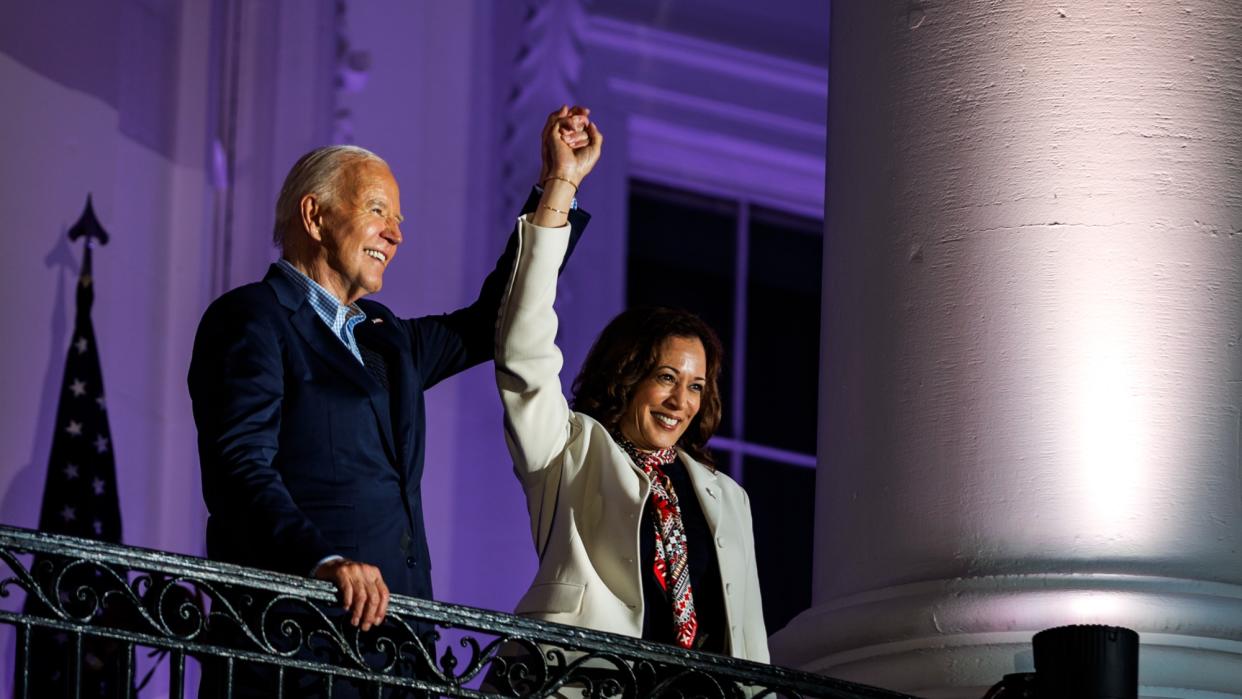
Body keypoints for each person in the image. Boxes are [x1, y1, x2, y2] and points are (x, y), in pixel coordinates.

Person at [187, 106, 594, 695]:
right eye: (377, 211)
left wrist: (560, 185)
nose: (395, 234)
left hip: (399, 649)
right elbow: (240, 471)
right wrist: (321, 561)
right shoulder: (252, 319)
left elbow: (490, 322)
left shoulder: (386, 336)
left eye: (397, 220)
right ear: (316, 215)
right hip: (297, 642)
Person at [493, 173, 769, 665]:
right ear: (627, 374)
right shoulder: (568, 451)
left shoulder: (727, 498)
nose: (680, 401)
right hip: (582, 683)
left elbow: (748, 640)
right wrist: (560, 186)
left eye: (696, 387)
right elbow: (524, 350)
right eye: (666, 377)